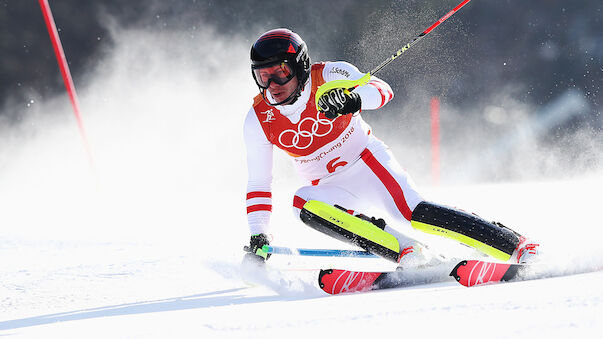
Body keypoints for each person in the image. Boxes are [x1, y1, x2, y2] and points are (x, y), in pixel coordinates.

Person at [243, 28, 539, 268]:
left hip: (367, 163)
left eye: (280, 72)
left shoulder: (330, 75)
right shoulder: (258, 119)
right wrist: (259, 233)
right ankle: (407, 251)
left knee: (413, 213)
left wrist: (354, 101)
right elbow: (259, 182)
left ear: (300, 66)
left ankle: (513, 245)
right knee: (302, 203)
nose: (272, 85)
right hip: (329, 187)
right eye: (263, 76)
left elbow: (383, 90)